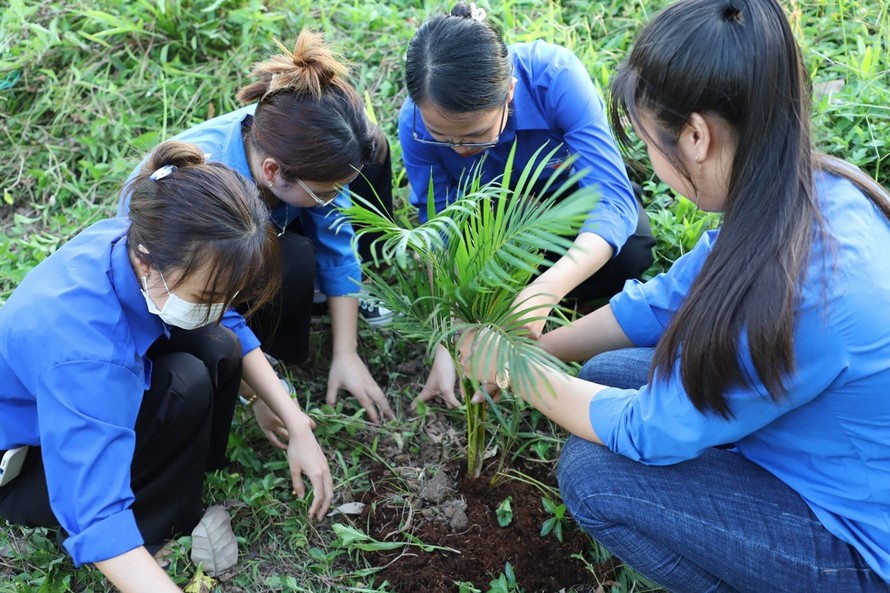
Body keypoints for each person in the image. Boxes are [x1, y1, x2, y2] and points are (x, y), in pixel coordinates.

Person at [461, 0, 890, 591]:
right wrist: (540, 346)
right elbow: (662, 302)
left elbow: (649, 430)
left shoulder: (804, 295)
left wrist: (517, 369)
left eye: (647, 146)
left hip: (858, 540)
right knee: (611, 369)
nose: (650, 163)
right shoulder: (804, 186)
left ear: (695, 136)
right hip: (812, 446)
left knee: (595, 474)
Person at [0, 141, 333, 593]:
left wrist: (296, 423)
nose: (219, 307)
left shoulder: (140, 239)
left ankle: (183, 470)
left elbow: (226, 319)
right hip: (28, 467)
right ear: (146, 261)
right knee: (184, 385)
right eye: (206, 296)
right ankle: (152, 529)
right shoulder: (87, 357)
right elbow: (93, 512)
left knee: (218, 344)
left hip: (66, 402)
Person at [119, 30, 395, 425]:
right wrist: (258, 390)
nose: (334, 199)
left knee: (370, 152)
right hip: (177, 281)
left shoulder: (300, 149)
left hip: (242, 248)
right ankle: (262, 359)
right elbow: (204, 299)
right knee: (291, 261)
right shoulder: (206, 187)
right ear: (272, 172)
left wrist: (346, 352)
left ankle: (288, 336)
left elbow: (338, 241)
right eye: (325, 192)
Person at [399, 2, 655, 409]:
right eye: (443, 138)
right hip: (491, 230)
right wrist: (450, 338)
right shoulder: (415, 123)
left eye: (476, 134)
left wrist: (547, 288)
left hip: (565, 206)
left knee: (630, 251)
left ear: (510, 94)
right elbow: (443, 231)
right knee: (481, 279)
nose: (461, 150)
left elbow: (612, 197)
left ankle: (573, 305)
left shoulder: (554, 78)